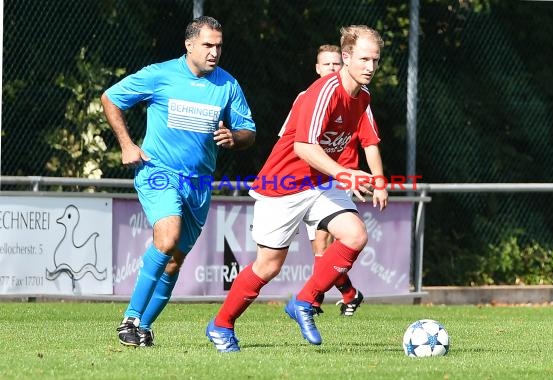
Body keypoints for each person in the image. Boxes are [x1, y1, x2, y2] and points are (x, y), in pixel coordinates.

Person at [206, 25, 387, 352]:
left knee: (356, 234)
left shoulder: (363, 98)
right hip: (284, 184)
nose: (371, 67)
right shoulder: (323, 92)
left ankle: (304, 301)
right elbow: (304, 147)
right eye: (363, 59)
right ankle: (221, 324)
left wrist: (347, 175)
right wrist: (344, 173)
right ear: (346, 57)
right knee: (268, 266)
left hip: (319, 183)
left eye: (375, 59)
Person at [101, 16, 256, 347]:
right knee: (168, 237)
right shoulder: (161, 75)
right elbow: (110, 98)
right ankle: (129, 317)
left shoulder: (227, 85)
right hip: (159, 172)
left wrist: (235, 137)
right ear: (189, 45)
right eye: (208, 45)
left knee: (175, 260)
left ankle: (140, 327)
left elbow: (249, 132)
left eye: (219, 46)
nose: (215, 52)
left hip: (199, 184)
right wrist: (127, 145)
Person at [283, 44, 384, 316]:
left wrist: (379, 181)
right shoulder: (306, 98)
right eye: (325, 64)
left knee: (327, 240)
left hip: (341, 178)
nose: (331, 68)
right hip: (305, 179)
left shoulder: (358, 97)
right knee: (316, 247)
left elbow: (370, 141)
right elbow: (289, 141)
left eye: (335, 64)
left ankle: (310, 302)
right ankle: (348, 294)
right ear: (317, 69)